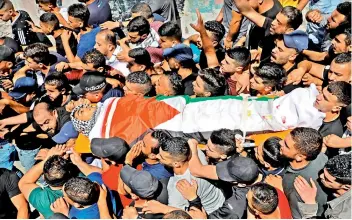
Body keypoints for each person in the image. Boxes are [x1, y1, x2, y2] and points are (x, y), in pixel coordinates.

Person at [143, 137, 225, 214]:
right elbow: (192, 142)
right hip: (221, 197)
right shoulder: (197, 154)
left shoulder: (178, 188)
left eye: (162, 157)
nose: (157, 156)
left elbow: (182, 216)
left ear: (176, 164)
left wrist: (161, 208)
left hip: (213, 214)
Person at [187, 138, 260, 219]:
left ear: (241, 184)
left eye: (227, 176)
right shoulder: (251, 166)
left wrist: (194, 200)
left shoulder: (235, 207)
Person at [280, 127, 328, 218]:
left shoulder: (298, 186)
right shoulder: (319, 156)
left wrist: (279, 191)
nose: (280, 143)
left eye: (286, 145)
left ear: (299, 157)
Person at [234, 1, 302, 62]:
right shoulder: (270, 26)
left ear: (289, 30)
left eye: (279, 23)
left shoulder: (293, 48)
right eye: (276, 18)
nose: (273, 23)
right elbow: (246, 10)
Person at [18, 146, 72, 218]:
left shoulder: (45, 200)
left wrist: (47, 159)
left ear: (43, 177)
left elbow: (24, 182)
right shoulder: (83, 185)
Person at [63, 149, 117, 219]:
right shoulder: (98, 181)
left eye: (65, 196)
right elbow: (92, 172)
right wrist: (78, 162)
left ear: (77, 205)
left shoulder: (81, 217)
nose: (63, 198)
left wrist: (66, 215)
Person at [294, 153, 351, 219]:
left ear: (346, 186)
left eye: (327, 179)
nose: (321, 176)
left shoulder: (341, 215)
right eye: (323, 171)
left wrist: (310, 204)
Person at [314, 81, 351, 156]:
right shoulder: (311, 102)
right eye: (321, 92)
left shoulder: (332, 133)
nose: (318, 97)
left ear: (336, 108)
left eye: (325, 98)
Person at [270, 30, 309, 94]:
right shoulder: (272, 65)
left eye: (280, 49)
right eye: (275, 46)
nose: (273, 50)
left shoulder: (295, 80)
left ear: (292, 57)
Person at [286, 52, 351, 88]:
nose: (331, 77)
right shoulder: (331, 71)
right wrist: (300, 70)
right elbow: (307, 63)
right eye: (330, 72)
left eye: (338, 74)